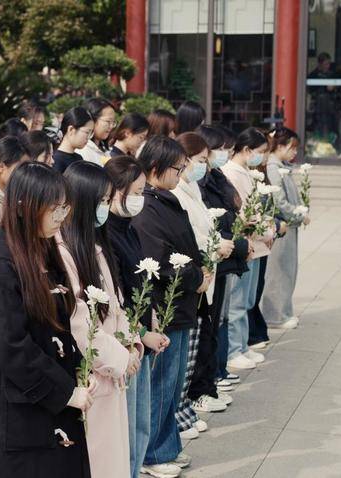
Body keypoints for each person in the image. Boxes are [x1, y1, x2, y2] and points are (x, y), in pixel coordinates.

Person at [0, 161, 92, 478]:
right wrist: (63, 390)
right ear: (24, 205)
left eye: (65, 207)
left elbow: (59, 321)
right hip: (19, 406)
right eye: (54, 208)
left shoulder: (41, 246)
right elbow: (7, 342)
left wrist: (77, 369)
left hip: (49, 397)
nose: (61, 217)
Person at [132, 135, 212, 476]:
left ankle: (166, 445)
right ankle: (153, 453)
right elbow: (160, 258)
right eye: (176, 168)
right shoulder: (147, 207)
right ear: (155, 168)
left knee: (173, 381)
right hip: (165, 304)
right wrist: (196, 277)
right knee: (162, 383)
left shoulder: (166, 199)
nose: (181, 174)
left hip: (181, 303)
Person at [59, 161, 139, 478]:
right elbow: (78, 324)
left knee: (113, 457)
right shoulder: (64, 251)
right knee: (97, 460)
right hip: (92, 373)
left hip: (112, 369)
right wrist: (120, 356)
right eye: (101, 201)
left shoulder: (97, 247)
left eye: (108, 201)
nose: (105, 208)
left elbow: (116, 308)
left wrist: (131, 344)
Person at [104, 155, 175, 478]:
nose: (139, 199)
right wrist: (138, 334)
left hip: (141, 330)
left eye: (142, 191)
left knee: (140, 420)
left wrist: (153, 319)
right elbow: (115, 294)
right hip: (126, 338)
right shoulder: (105, 234)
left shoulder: (128, 228)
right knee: (127, 423)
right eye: (134, 191)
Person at [171, 133, 233, 439]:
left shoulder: (192, 187)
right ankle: (181, 407)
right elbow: (188, 237)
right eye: (199, 160)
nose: (204, 166)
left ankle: (185, 404)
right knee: (186, 350)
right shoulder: (177, 193)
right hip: (193, 278)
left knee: (196, 344)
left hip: (205, 272)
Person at [196, 125, 249, 393]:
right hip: (215, 256)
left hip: (226, 254)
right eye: (217, 150)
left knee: (220, 318)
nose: (223, 154)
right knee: (210, 322)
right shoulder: (199, 184)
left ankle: (217, 371)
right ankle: (206, 382)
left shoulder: (216, 177)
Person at [220, 127, 273, 370]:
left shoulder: (245, 172)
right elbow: (244, 216)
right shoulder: (232, 173)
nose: (261, 157)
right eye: (260, 152)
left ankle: (241, 346)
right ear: (247, 150)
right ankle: (233, 349)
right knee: (237, 301)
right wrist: (267, 231)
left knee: (248, 299)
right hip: (248, 243)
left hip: (257, 243)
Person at [259, 127, 306, 330]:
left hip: (289, 225)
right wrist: (297, 214)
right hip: (281, 225)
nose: (294, 152)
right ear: (279, 146)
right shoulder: (273, 167)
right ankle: (275, 315)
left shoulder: (281, 165)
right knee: (278, 272)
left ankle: (283, 311)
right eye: (292, 147)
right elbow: (278, 200)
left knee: (287, 270)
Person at [53, 107, 94, 174]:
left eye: (90, 133)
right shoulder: (56, 160)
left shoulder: (79, 158)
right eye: (87, 132)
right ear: (71, 129)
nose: (88, 138)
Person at [77, 98, 116, 166]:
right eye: (108, 121)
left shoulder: (104, 149)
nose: (111, 126)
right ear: (92, 119)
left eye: (113, 122)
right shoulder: (83, 151)